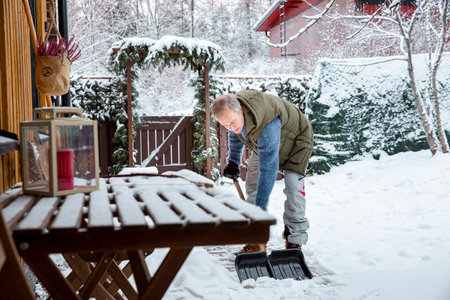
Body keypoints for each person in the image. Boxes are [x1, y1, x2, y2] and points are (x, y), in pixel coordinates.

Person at [212, 89, 314, 253]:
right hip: (270, 143)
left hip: (297, 141)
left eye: (232, 122)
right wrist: (233, 161)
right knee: (252, 183)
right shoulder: (235, 116)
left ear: (242, 110)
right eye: (225, 125)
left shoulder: (266, 122)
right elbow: (235, 135)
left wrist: (261, 210)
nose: (231, 127)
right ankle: (256, 240)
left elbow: (269, 168)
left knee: (294, 188)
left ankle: (294, 240)